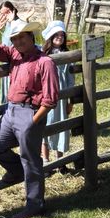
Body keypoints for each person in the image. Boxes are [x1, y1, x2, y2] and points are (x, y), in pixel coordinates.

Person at [0, 14, 59, 218]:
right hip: (11, 111)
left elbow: (50, 99)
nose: (18, 42)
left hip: (30, 113)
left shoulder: (45, 62)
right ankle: (17, 171)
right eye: (14, 38)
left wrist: (33, 122)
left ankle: (35, 205)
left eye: (21, 38)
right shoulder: (14, 55)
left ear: (31, 37)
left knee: (31, 159)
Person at [40, 20, 74, 173]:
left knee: (61, 125)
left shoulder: (67, 55)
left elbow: (70, 78)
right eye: (57, 34)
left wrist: (70, 100)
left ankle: (60, 161)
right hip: (46, 95)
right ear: (50, 35)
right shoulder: (42, 54)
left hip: (61, 96)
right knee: (45, 126)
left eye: (62, 35)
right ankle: (46, 161)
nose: (60, 37)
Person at [0, 1, 19, 104]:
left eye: (7, 12)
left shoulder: (17, 24)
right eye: (2, 13)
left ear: (12, 11)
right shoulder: (7, 24)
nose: (5, 15)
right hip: (6, 60)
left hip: (15, 62)